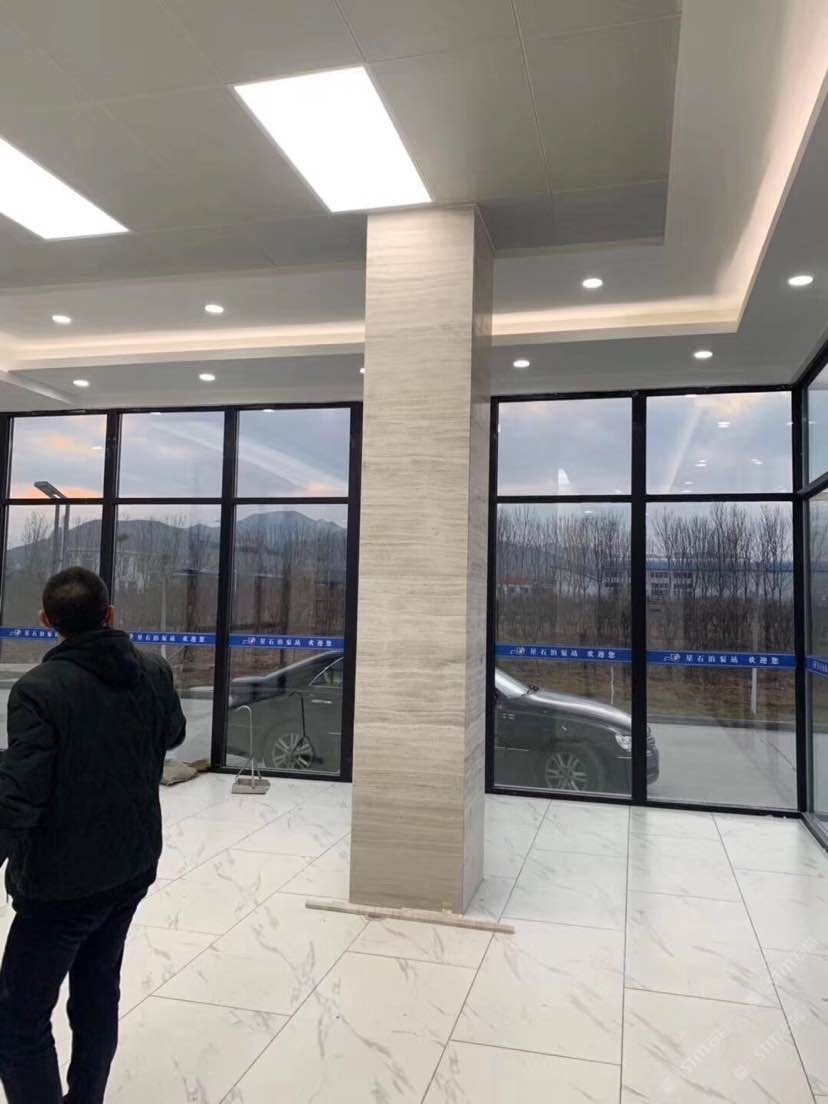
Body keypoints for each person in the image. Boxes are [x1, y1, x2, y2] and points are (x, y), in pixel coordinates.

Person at [0, 567, 186, 1104]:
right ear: (110, 614)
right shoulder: (154, 671)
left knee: (16, 1020)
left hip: (62, 885)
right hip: (130, 868)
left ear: (46, 621)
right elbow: (173, 734)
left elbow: (18, 798)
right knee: (97, 992)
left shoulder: (39, 689)